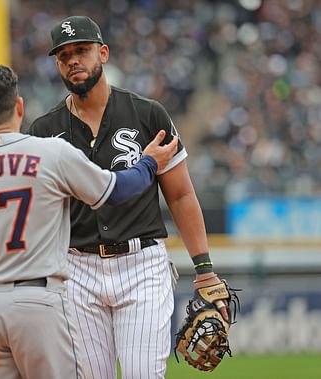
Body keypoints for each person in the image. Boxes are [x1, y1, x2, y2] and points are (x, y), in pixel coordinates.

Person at [0, 64, 178, 379]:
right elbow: (116, 191)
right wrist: (148, 163)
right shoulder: (50, 153)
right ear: (19, 107)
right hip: (38, 301)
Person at [28, 16, 229, 379]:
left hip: (141, 265)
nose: (73, 60)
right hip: (76, 269)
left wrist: (204, 269)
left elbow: (181, 194)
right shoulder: (43, 131)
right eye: (64, 55)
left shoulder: (148, 114)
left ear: (103, 53)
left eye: (82, 51)